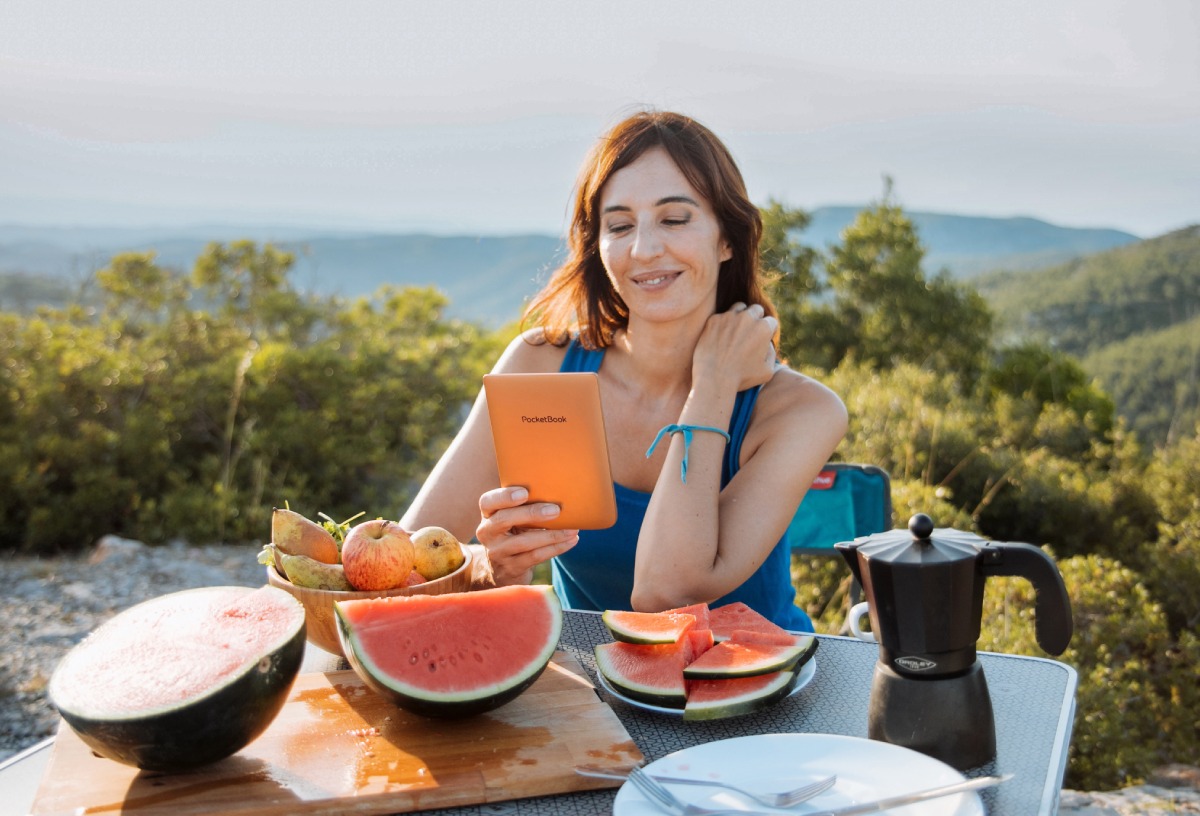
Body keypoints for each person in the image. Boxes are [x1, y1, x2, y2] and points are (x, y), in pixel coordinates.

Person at [400, 110, 847, 631]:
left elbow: (664, 592)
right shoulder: (541, 369)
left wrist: (715, 385)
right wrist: (492, 571)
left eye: (674, 219)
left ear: (727, 238)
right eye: (619, 226)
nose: (644, 249)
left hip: (756, 694)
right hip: (585, 695)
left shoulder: (802, 411)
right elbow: (405, 560)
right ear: (598, 245)